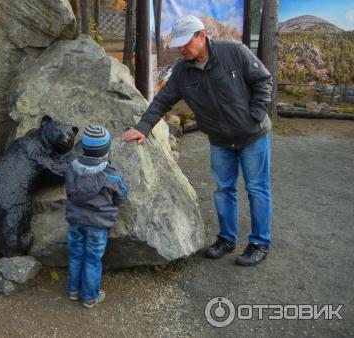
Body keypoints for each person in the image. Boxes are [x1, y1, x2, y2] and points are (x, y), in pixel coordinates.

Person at [122, 15, 273, 266]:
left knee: (257, 190)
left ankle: (259, 243)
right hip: (220, 140)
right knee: (224, 189)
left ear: (202, 36)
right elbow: (162, 101)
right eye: (178, 44)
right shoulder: (182, 72)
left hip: (252, 137)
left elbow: (263, 80)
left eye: (186, 43)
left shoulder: (234, 52)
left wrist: (255, 114)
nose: (181, 49)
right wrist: (143, 128)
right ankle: (226, 239)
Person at [65, 124, 129, 308]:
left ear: (83, 148)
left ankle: (73, 291)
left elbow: (69, 191)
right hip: (98, 226)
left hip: (75, 221)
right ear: (107, 150)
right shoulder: (112, 175)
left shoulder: (71, 169)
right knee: (92, 260)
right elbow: (121, 195)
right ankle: (90, 297)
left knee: (76, 255)